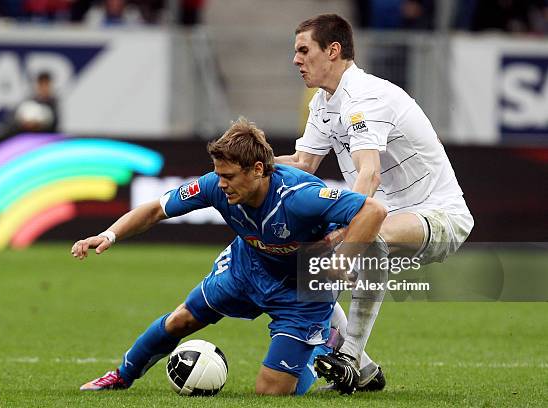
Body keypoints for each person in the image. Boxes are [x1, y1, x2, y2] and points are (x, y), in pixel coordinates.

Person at [71, 117, 386, 395]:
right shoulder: (216, 186)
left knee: (271, 392)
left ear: (258, 170)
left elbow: (372, 210)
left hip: (299, 291)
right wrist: (109, 234)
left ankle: (322, 346)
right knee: (182, 319)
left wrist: (341, 258)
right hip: (245, 269)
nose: (221, 184)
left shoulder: (299, 197)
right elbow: (155, 209)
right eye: (218, 174)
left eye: (230, 176)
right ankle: (121, 376)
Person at [276, 14, 474, 394]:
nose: (296, 59)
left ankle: (349, 354)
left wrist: (346, 245)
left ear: (332, 51)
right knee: (303, 263)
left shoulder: (366, 97)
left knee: (367, 235)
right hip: (386, 214)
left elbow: (369, 176)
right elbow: (303, 165)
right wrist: (247, 162)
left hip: (440, 216)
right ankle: (363, 371)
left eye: (303, 50)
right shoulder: (324, 102)